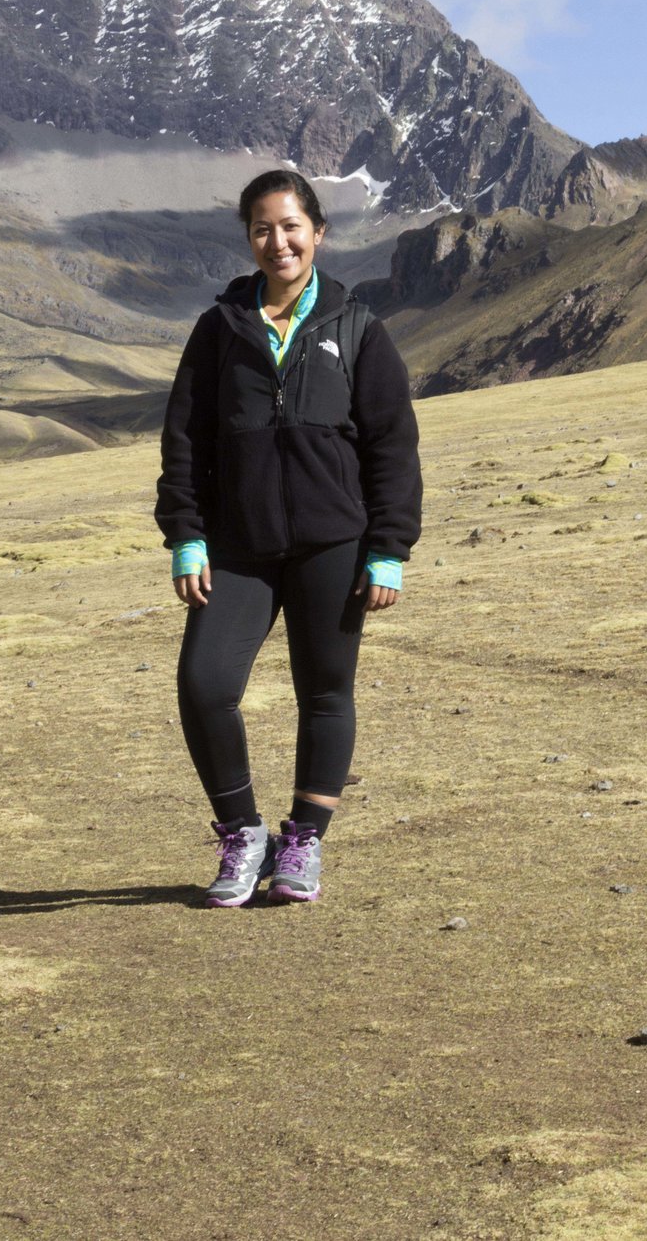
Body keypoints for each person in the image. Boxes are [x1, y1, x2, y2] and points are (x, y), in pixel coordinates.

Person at [155, 169, 422, 907]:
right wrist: (186, 535)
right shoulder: (218, 329)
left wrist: (389, 550)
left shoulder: (356, 327)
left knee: (326, 693)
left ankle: (304, 840)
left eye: (292, 226)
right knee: (205, 685)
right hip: (237, 548)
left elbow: (392, 447)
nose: (279, 242)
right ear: (249, 238)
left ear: (318, 233)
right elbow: (185, 440)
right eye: (263, 229)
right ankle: (243, 833)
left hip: (333, 545)